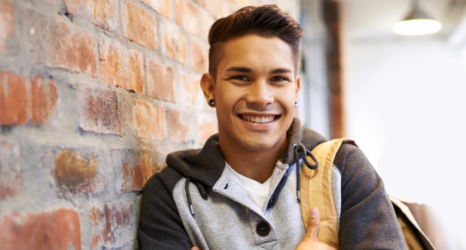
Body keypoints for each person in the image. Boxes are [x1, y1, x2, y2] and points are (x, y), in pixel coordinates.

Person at [138, 5, 406, 250]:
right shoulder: (170, 195)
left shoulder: (345, 169)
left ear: (295, 90)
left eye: (278, 78)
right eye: (241, 77)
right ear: (211, 88)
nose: (261, 98)